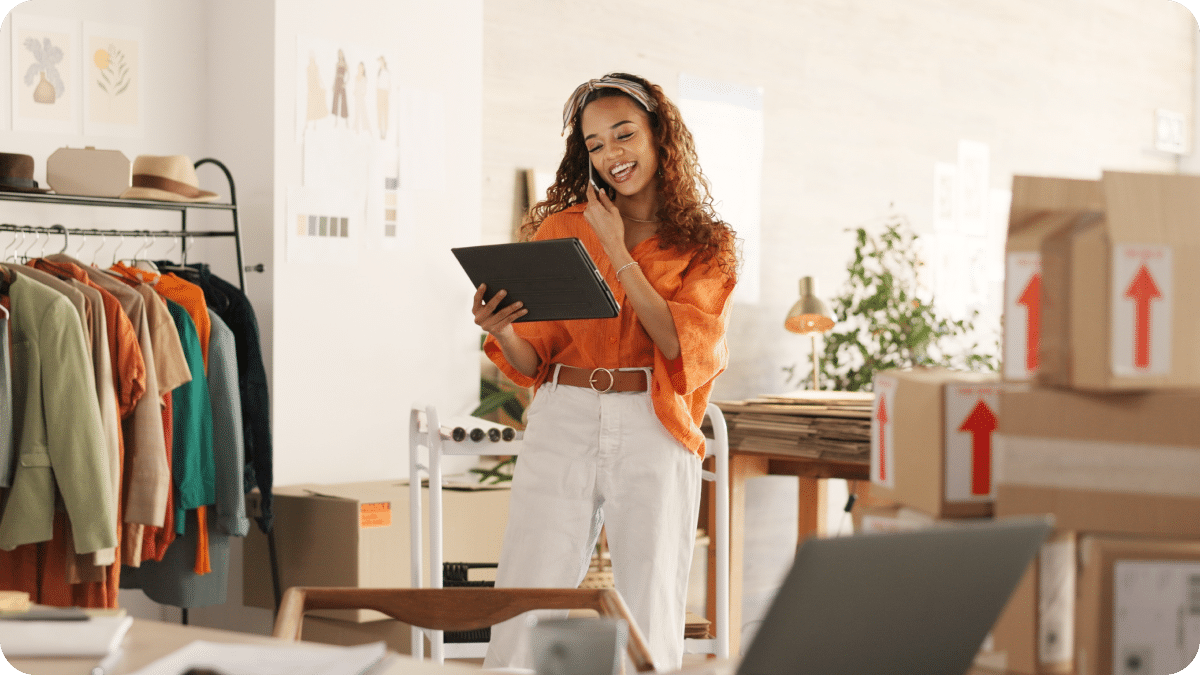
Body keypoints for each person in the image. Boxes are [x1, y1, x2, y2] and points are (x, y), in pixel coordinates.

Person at [475, 73, 737, 671]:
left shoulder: (706, 245)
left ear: (658, 135)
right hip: (564, 411)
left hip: (654, 420)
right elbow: (532, 361)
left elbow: (679, 340)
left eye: (623, 135)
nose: (612, 155)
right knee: (529, 581)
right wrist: (502, 329)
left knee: (651, 592)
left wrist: (618, 250)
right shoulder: (561, 230)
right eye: (595, 145)